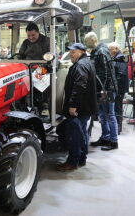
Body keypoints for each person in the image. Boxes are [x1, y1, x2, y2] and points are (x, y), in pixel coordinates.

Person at [57, 43, 97, 171]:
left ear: (81, 52)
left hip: (79, 107)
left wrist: (73, 105)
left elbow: (79, 86)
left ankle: (72, 162)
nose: (70, 55)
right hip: (85, 106)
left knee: (74, 134)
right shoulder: (87, 62)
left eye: (73, 52)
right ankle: (81, 158)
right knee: (82, 132)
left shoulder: (80, 65)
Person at [85, 32, 119, 151]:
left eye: (87, 41)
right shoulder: (97, 51)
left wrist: (103, 90)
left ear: (93, 40)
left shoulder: (101, 52)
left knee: (110, 115)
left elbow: (105, 73)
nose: (85, 44)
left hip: (107, 89)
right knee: (103, 115)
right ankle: (105, 137)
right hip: (102, 89)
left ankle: (114, 141)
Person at [108, 42, 129, 133]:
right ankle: (117, 126)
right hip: (118, 87)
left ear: (115, 49)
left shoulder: (120, 58)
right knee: (117, 107)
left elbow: (121, 75)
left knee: (118, 107)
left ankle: (118, 127)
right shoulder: (117, 58)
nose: (109, 51)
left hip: (119, 88)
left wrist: (116, 89)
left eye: (110, 49)